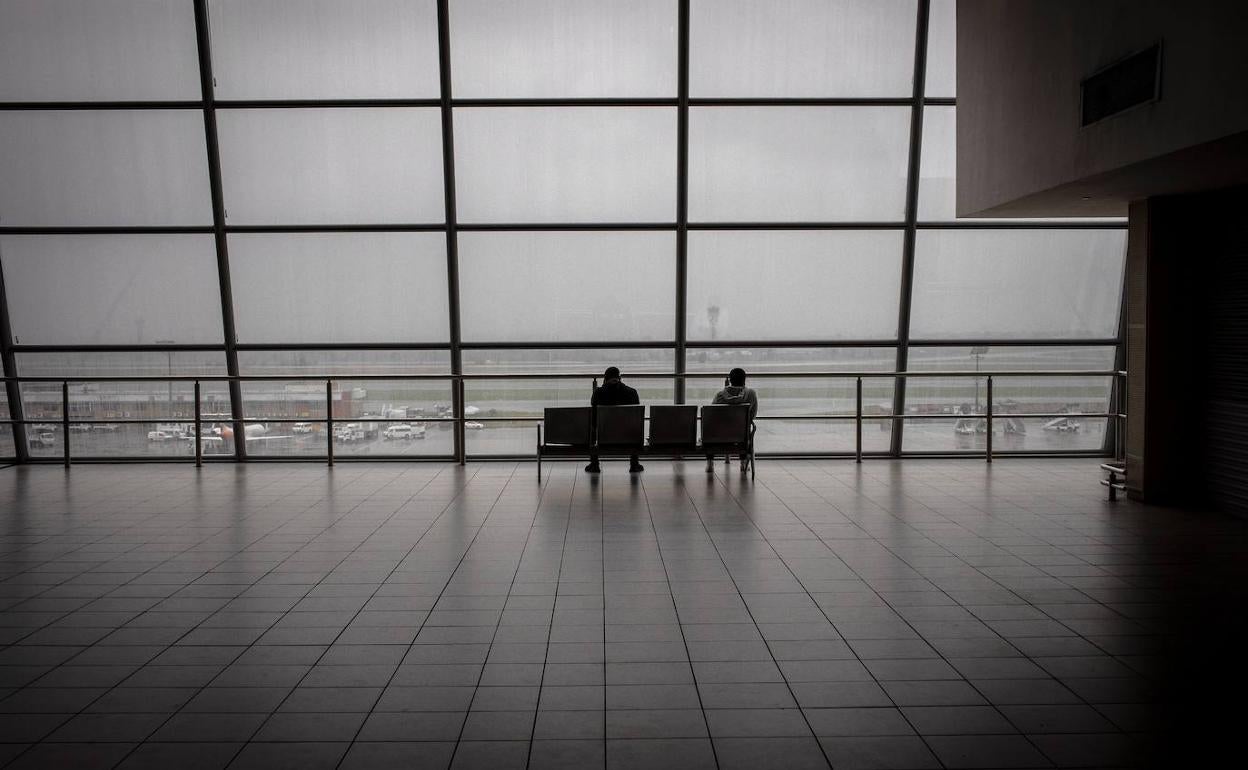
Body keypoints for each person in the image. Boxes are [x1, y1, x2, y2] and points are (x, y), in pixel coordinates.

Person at [587, 366, 643, 474]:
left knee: (592, 426)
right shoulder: (632, 392)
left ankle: (594, 464)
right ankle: (634, 464)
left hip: (604, 437)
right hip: (628, 438)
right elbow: (636, 419)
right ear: (619, 378)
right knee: (634, 426)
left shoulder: (598, 393)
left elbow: (593, 419)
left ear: (605, 379)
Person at [707, 367, 758, 473]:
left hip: (719, 435)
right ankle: (743, 463)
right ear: (744, 380)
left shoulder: (720, 395)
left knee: (709, 431)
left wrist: (725, 389)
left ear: (730, 380)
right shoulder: (751, 394)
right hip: (741, 436)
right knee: (744, 431)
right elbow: (752, 415)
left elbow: (712, 415)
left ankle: (710, 464)